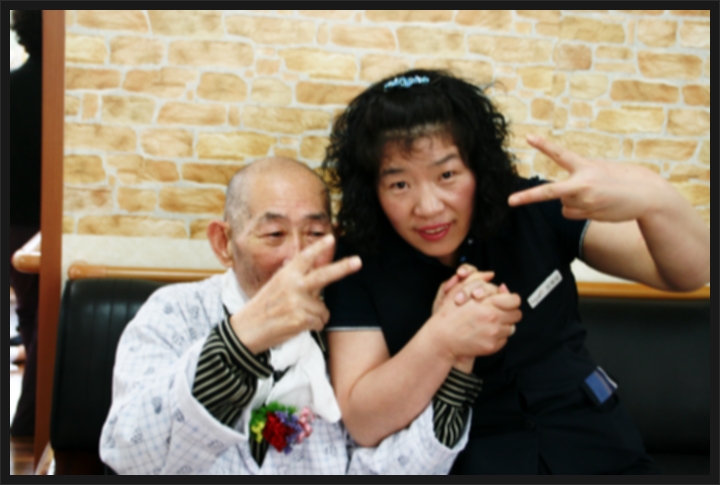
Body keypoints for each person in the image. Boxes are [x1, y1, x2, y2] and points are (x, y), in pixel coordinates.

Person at [322, 69, 710, 475]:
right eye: (399, 185)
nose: (429, 207)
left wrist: (653, 199)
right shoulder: (358, 261)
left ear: (479, 167)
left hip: (598, 447)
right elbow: (364, 422)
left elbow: (689, 273)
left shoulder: (533, 207)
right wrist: (441, 340)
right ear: (372, 190)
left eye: (447, 175)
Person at [100, 157, 473, 475]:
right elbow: (130, 454)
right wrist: (242, 339)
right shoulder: (176, 312)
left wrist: (454, 353)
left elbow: (377, 466)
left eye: (315, 233)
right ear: (223, 243)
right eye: (274, 233)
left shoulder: (343, 326)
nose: (297, 255)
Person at [9, 9, 43, 437]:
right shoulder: (58, 91)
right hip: (36, 224)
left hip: (12, 222)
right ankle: (28, 422)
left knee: (31, 316)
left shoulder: (12, 86)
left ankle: (28, 420)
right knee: (39, 321)